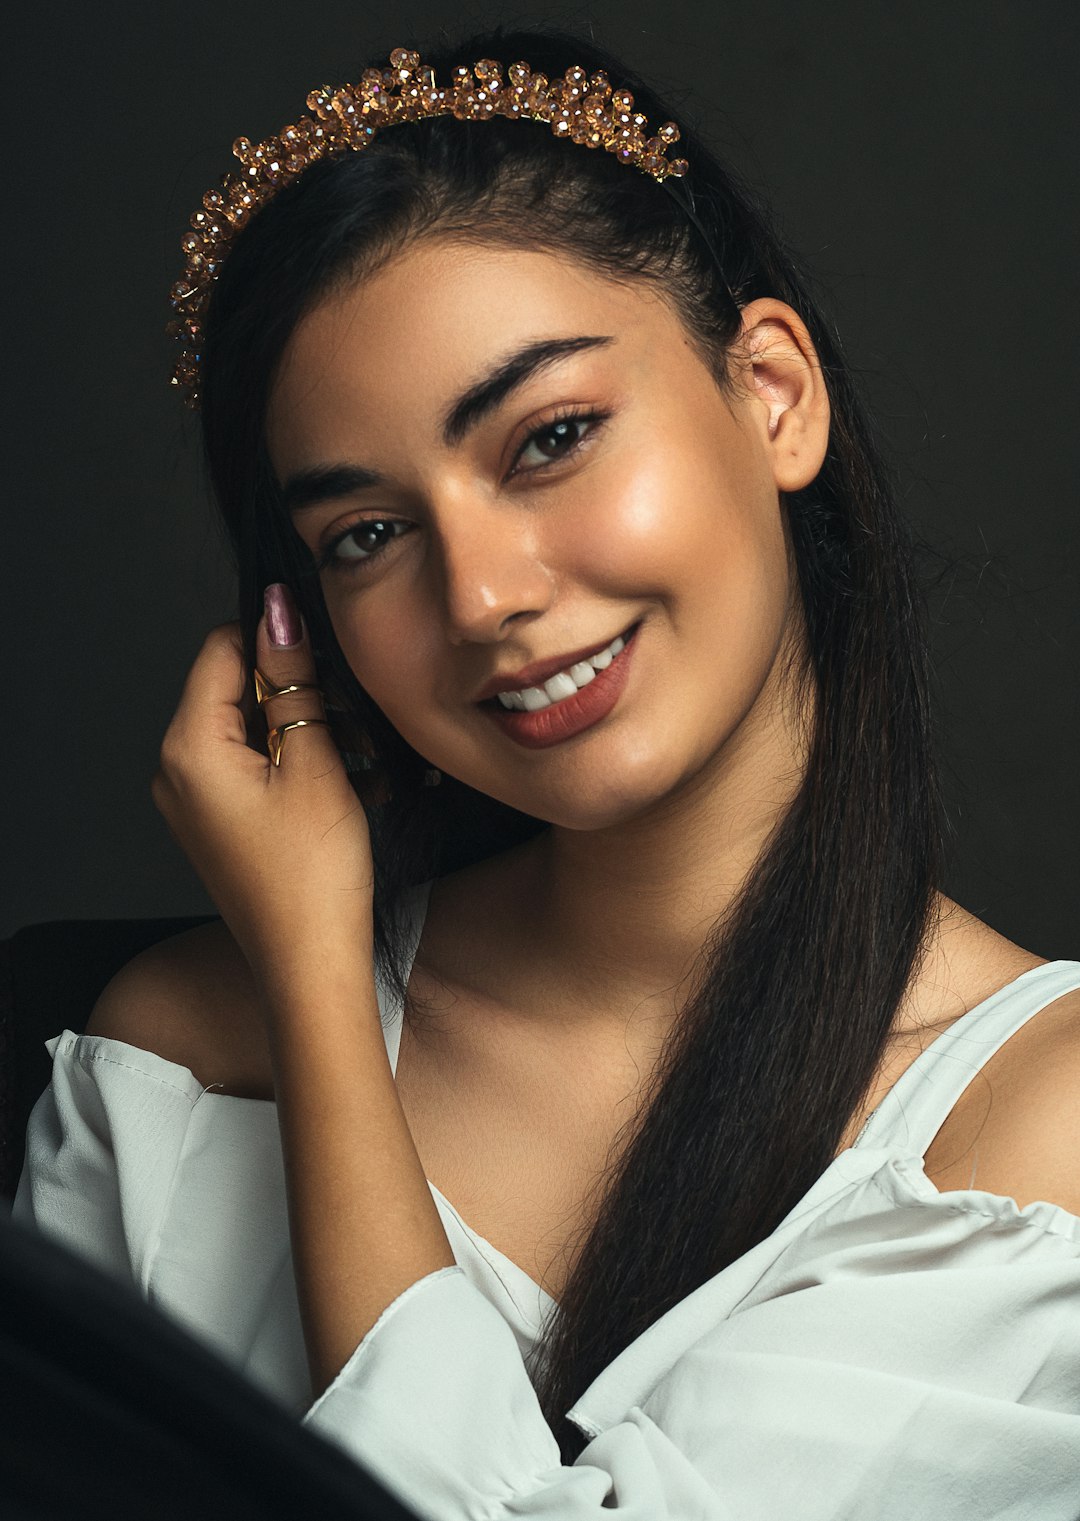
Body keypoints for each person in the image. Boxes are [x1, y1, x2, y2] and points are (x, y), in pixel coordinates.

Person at [13, 22, 1080, 1518]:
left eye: (552, 437)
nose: (482, 596)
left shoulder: (1029, 1128)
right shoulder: (177, 1061)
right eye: (365, 535)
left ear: (772, 393)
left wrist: (318, 992)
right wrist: (313, 969)